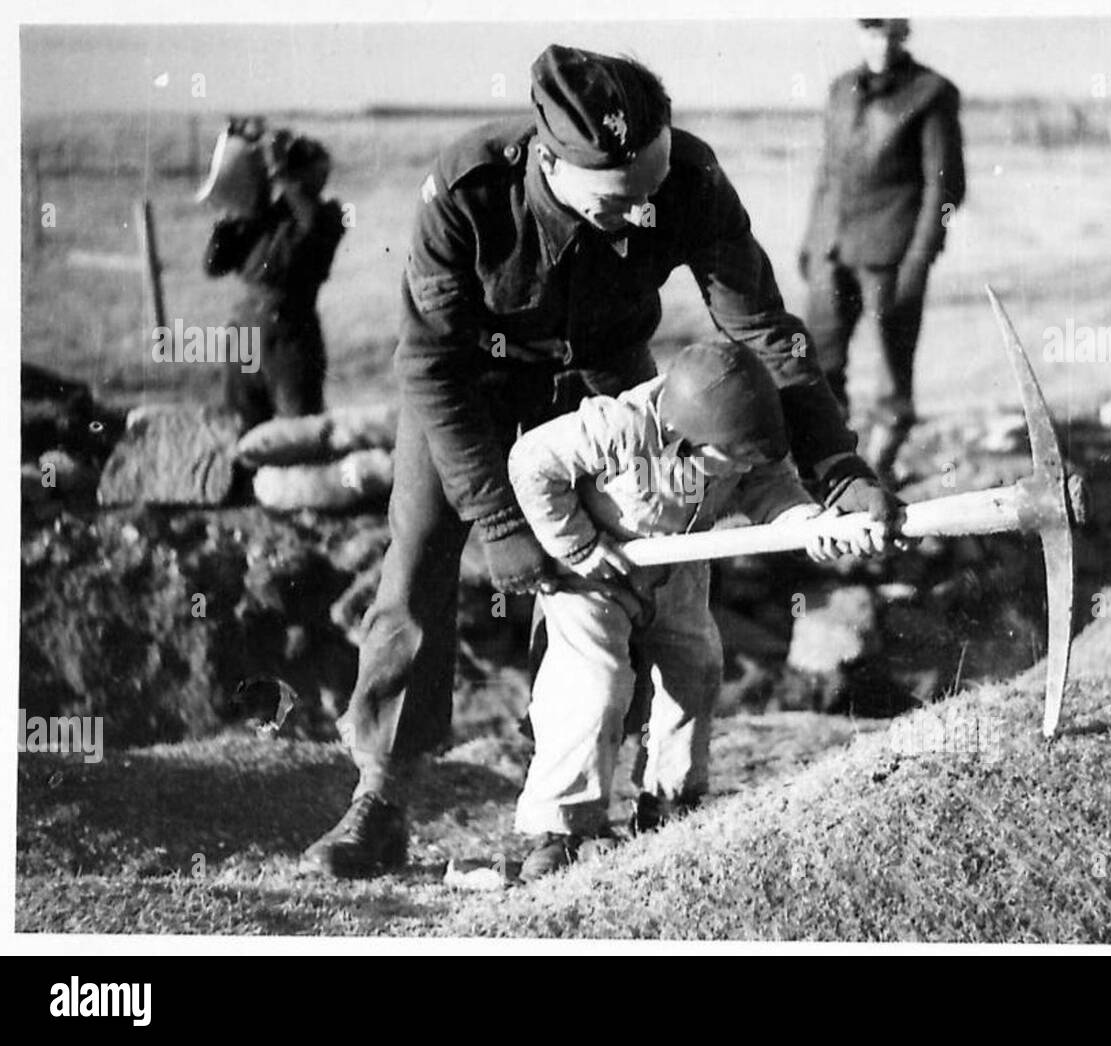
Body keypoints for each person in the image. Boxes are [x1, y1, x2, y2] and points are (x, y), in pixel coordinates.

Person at [303, 44, 895, 879]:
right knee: (420, 558)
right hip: (467, 387)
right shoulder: (467, 190)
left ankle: (579, 803)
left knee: (613, 579)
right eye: (616, 204)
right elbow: (428, 366)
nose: (639, 216)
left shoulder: (687, 180)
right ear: (551, 162)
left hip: (604, 378)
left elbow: (763, 332)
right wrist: (501, 522)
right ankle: (381, 798)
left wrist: (837, 467)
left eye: (648, 195)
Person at [507, 338, 886, 880]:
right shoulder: (618, 426)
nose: (746, 463)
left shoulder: (741, 438)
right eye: (736, 456)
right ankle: (560, 828)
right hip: (592, 577)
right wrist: (577, 545)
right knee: (594, 686)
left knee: (698, 669)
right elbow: (531, 462)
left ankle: (668, 802)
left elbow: (772, 490)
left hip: (678, 568)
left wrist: (812, 526)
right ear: (687, 440)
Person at [799, 18, 966, 480]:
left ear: (905, 34)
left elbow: (946, 188)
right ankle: (834, 468)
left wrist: (920, 258)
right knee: (820, 364)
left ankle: (883, 466)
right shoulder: (840, 89)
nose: (882, 43)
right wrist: (811, 241)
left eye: (891, 32)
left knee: (893, 374)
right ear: (860, 34)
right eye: (872, 32)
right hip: (831, 252)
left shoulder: (931, 93)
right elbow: (826, 171)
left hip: (891, 257)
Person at [200, 117, 347, 429]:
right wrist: (230, 214)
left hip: (290, 336)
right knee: (240, 431)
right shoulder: (262, 215)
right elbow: (213, 265)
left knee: (300, 433)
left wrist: (280, 171)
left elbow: (309, 225)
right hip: (244, 333)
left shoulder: (328, 216)